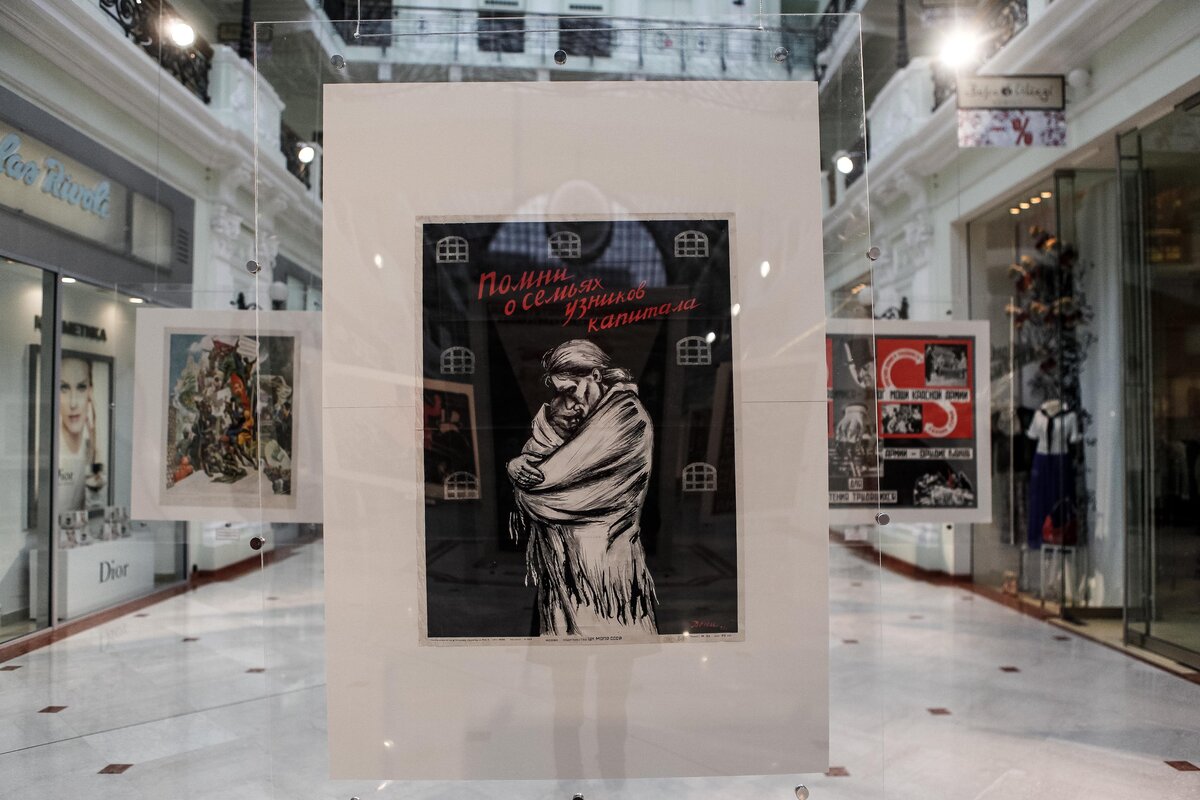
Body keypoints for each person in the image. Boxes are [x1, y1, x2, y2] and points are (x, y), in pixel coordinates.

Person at [507, 340, 658, 639]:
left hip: (606, 577)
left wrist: (522, 473)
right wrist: (517, 464)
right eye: (559, 392)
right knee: (567, 661)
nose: (568, 402)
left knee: (612, 656)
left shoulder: (626, 417)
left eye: (571, 389)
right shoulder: (586, 417)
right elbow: (541, 458)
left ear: (596, 376)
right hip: (565, 574)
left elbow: (543, 485)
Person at [58, 356, 103, 512]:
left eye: (81, 387)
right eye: (64, 388)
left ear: (90, 392)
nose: (73, 403)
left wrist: (95, 447)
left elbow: (96, 504)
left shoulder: (92, 447)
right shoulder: (47, 449)